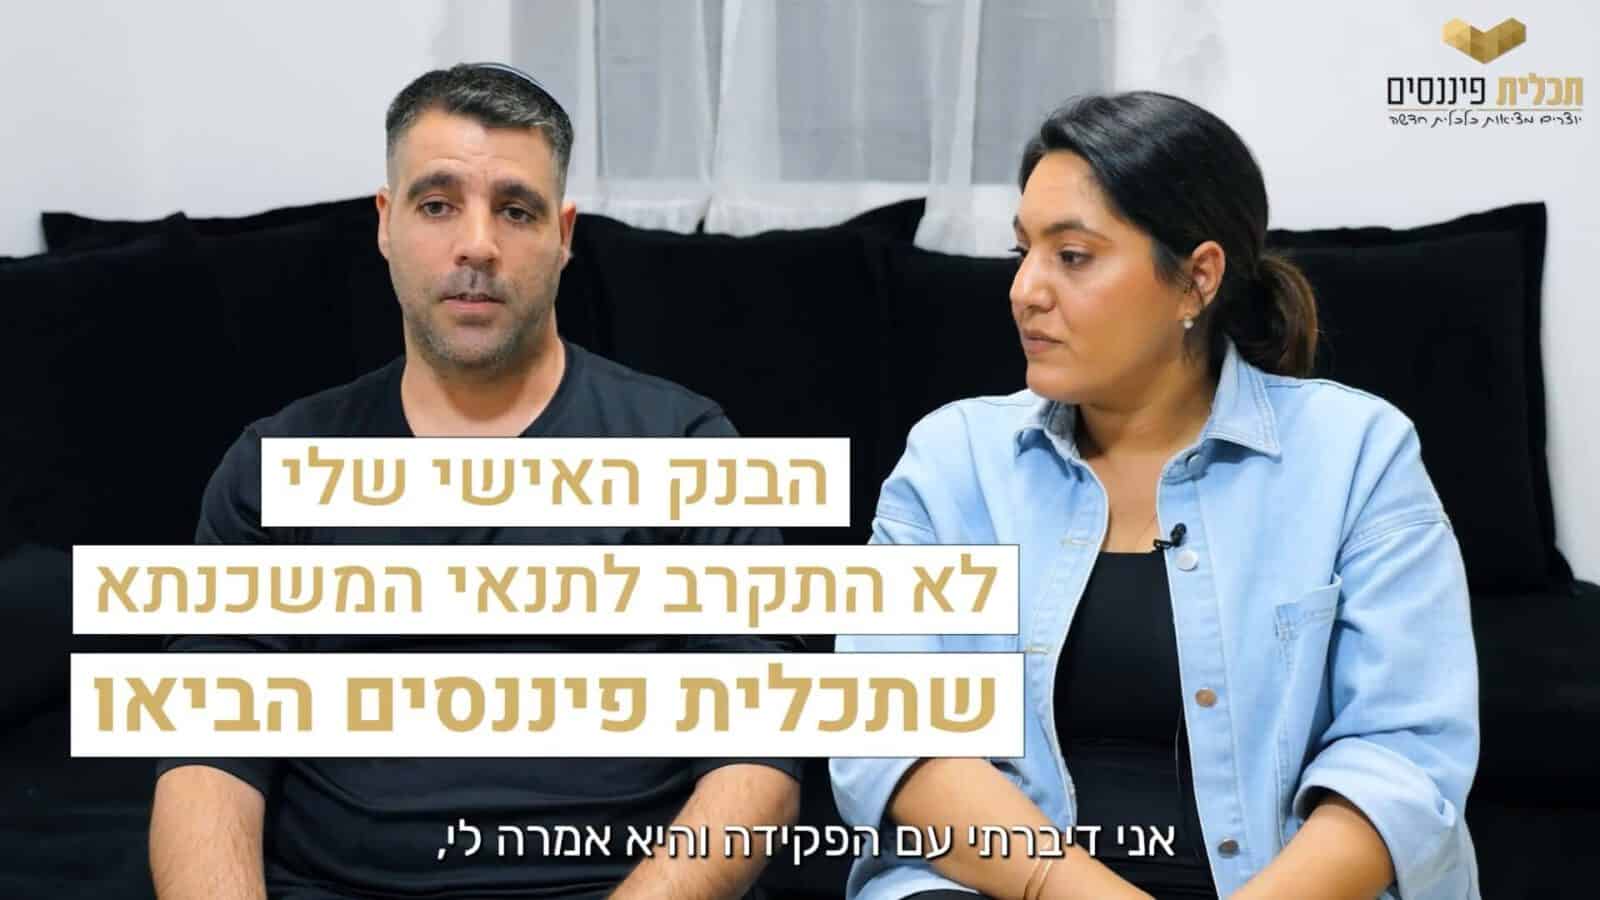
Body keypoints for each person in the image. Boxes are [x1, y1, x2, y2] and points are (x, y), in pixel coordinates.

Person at [147, 63, 801, 900]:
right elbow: (205, 761)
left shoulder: (689, 450)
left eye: (517, 210)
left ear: (564, 235)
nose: (478, 245)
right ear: (385, 224)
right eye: (437, 204)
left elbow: (757, 770)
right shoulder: (274, 464)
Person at [830, 92, 1480, 900]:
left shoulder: (1356, 452)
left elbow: (1402, 757)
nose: (1024, 289)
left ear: (1196, 280)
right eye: (1023, 251)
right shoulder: (954, 458)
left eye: (1072, 256)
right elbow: (893, 737)